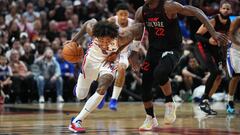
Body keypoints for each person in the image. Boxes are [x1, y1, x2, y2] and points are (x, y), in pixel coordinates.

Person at [129, 0, 228, 131]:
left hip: (172, 48)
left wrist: (213, 32)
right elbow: (138, 29)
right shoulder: (141, 11)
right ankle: (150, 118)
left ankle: (170, 103)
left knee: (160, 73)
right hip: (154, 50)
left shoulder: (168, 6)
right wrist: (134, 51)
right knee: (145, 84)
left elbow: (196, 11)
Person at [68, 19, 143, 133]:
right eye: (101, 41)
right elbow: (89, 22)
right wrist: (73, 40)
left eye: (107, 41)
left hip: (108, 62)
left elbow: (140, 27)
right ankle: (81, 89)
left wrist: (132, 52)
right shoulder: (93, 31)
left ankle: (77, 121)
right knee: (80, 95)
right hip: (91, 61)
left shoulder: (122, 37)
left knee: (104, 85)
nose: (104, 44)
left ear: (113, 37)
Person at [195, 0, 232, 115]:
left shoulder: (229, 23)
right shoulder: (212, 20)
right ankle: (204, 100)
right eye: (224, 8)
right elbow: (196, 35)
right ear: (220, 9)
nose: (225, 10)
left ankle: (205, 101)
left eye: (228, 9)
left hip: (215, 49)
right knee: (214, 72)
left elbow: (224, 43)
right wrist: (209, 40)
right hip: (203, 46)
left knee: (219, 77)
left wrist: (224, 59)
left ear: (230, 11)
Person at [97, 3, 135, 111]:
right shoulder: (111, 21)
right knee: (104, 73)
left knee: (121, 69)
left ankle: (114, 99)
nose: (123, 17)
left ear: (128, 14)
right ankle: (101, 95)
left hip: (124, 52)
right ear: (116, 14)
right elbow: (101, 36)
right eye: (121, 14)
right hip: (110, 51)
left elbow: (136, 40)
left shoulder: (133, 24)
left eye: (125, 14)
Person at [226, 16, 240, 114]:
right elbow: (230, 34)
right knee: (236, 76)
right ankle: (230, 101)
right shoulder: (238, 19)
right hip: (234, 50)